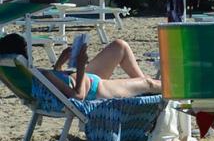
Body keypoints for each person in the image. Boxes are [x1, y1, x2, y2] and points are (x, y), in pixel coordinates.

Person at [0, 33, 161, 100]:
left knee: (120, 46)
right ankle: (181, 87)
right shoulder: (42, 75)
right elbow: (77, 96)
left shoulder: (35, 74)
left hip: (86, 79)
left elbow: (57, 87)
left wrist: (59, 64)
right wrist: (81, 65)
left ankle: (144, 91)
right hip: (96, 88)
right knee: (148, 83)